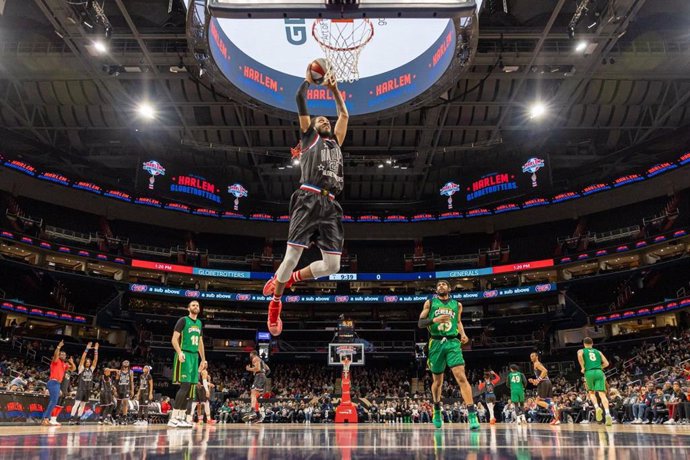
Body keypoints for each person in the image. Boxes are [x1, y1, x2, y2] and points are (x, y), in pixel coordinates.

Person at [262, 66, 349, 336]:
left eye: (326, 120)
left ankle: (293, 279)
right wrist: (308, 80)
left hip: (331, 204)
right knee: (289, 259)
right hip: (308, 197)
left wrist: (334, 89)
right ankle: (276, 302)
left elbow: (344, 114)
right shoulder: (309, 138)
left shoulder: (335, 142)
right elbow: (300, 99)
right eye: (320, 119)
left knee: (333, 266)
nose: (324, 120)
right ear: (311, 126)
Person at [418, 280, 479, 430]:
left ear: (449, 288)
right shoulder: (429, 303)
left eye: (444, 285)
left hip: (452, 342)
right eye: (438, 285)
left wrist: (463, 334)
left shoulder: (457, 305)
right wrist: (434, 319)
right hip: (436, 343)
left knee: (461, 377)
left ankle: (472, 415)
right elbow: (420, 323)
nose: (440, 286)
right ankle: (437, 409)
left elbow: (458, 322)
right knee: (437, 381)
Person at [169, 300, 206, 428]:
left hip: (195, 356)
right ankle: (173, 417)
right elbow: (174, 339)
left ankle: (181, 417)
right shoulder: (183, 320)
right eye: (193, 305)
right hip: (184, 354)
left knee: (190, 388)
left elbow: (200, 343)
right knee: (184, 386)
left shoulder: (200, 323)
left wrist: (203, 359)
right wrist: (179, 352)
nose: (196, 307)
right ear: (188, 308)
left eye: (197, 305)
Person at [577, 337, 612, 426]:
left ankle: (597, 408)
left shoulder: (581, 350)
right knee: (602, 394)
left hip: (589, 372)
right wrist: (600, 367)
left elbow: (580, 355)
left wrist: (582, 367)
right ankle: (608, 413)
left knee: (591, 393)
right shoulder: (598, 352)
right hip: (599, 372)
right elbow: (607, 363)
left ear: (584, 344)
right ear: (592, 343)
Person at [42, 340, 75, 426]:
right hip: (53, 382)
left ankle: (46, 418)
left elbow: (73, 369)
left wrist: (71, 362)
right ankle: (46, 419)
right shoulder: (55, 361)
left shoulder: (64, 364)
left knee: (53, 401)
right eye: (61, 354)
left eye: (64, 355)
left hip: (57, 384)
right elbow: (56, 354)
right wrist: (58, 347)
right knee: (53, 401)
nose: (63, 355)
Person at [70, 342, 99, 424]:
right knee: (77, 404)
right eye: (87, 362)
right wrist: (87, 348)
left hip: (88, 389)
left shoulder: (91, 369)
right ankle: (72, 418)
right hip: (81, 389)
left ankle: (78, 419)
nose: (88, 363)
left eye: (89, 362)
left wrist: (96, 350)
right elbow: (82, 359)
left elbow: (95, 360)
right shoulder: (81, 368)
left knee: (83, 405)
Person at [529, 352, 558, 424]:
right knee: (548, 400)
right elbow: (542, 376)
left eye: (533, 356)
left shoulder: (537, 363)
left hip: (543, 383)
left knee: (537, 401)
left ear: (537, 356)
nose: (531, 357)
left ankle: (551, 407)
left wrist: (538, 380)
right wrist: (534, 381)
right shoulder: (537, 364)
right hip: (547, 382)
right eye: (530, 356)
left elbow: (545, 371)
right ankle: (556, 418)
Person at [244, 350, 270, 423]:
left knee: (253, 393)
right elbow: (268, 370)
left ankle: (252, 411)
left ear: (252, 354)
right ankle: (258, 416)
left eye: (250, 354)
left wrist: (249, 369)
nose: (249, 356)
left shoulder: (255, 358)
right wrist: (264, 375)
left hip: (259, 377)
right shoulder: (262, 361)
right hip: (262, 377)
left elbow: (258, 369)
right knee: (255, 397)